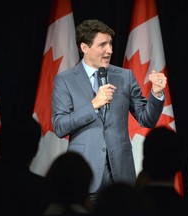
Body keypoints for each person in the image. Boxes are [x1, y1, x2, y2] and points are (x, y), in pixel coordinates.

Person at [51, 19, 167, 204]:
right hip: (85, 172)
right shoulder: (65, 80)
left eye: (110, 44)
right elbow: (59, 126)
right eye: (102, 45)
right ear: (84, 47)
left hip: (121, 173)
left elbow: (147, 120)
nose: (110, 51)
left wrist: (157, 93)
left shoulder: (125, 76)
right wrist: (93, 104)